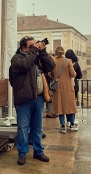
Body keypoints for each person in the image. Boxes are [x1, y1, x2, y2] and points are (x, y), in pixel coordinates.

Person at [9, 36, 55, 165]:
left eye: (35, 45)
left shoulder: (37, 57)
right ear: (24, 47)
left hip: (39, 98)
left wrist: (43, 52)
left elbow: (51, 66)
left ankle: (38, 152)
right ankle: (22, 153)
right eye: (31, 46)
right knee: (23, 128)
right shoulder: (16, 58)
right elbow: (24, 66)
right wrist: (35, 52)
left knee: (38, 128)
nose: (35, 48)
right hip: (24, 99)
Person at [51, 46, 77, 134]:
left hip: (57, 87)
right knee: (70, 105)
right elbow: (73, 74)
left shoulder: (53, 62)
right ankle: (72, 125)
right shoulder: (68, 61)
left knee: (60, 106)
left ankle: (62, 126)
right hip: (68, 87)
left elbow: (50, 75)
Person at [65, 49, 83, 130]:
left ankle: (68, 120)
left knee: (66, 104)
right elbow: (79, 76)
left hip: (65, 86)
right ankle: (72, 119)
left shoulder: (64, 63)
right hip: (74, 87)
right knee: (73, 104)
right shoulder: (76, 64)